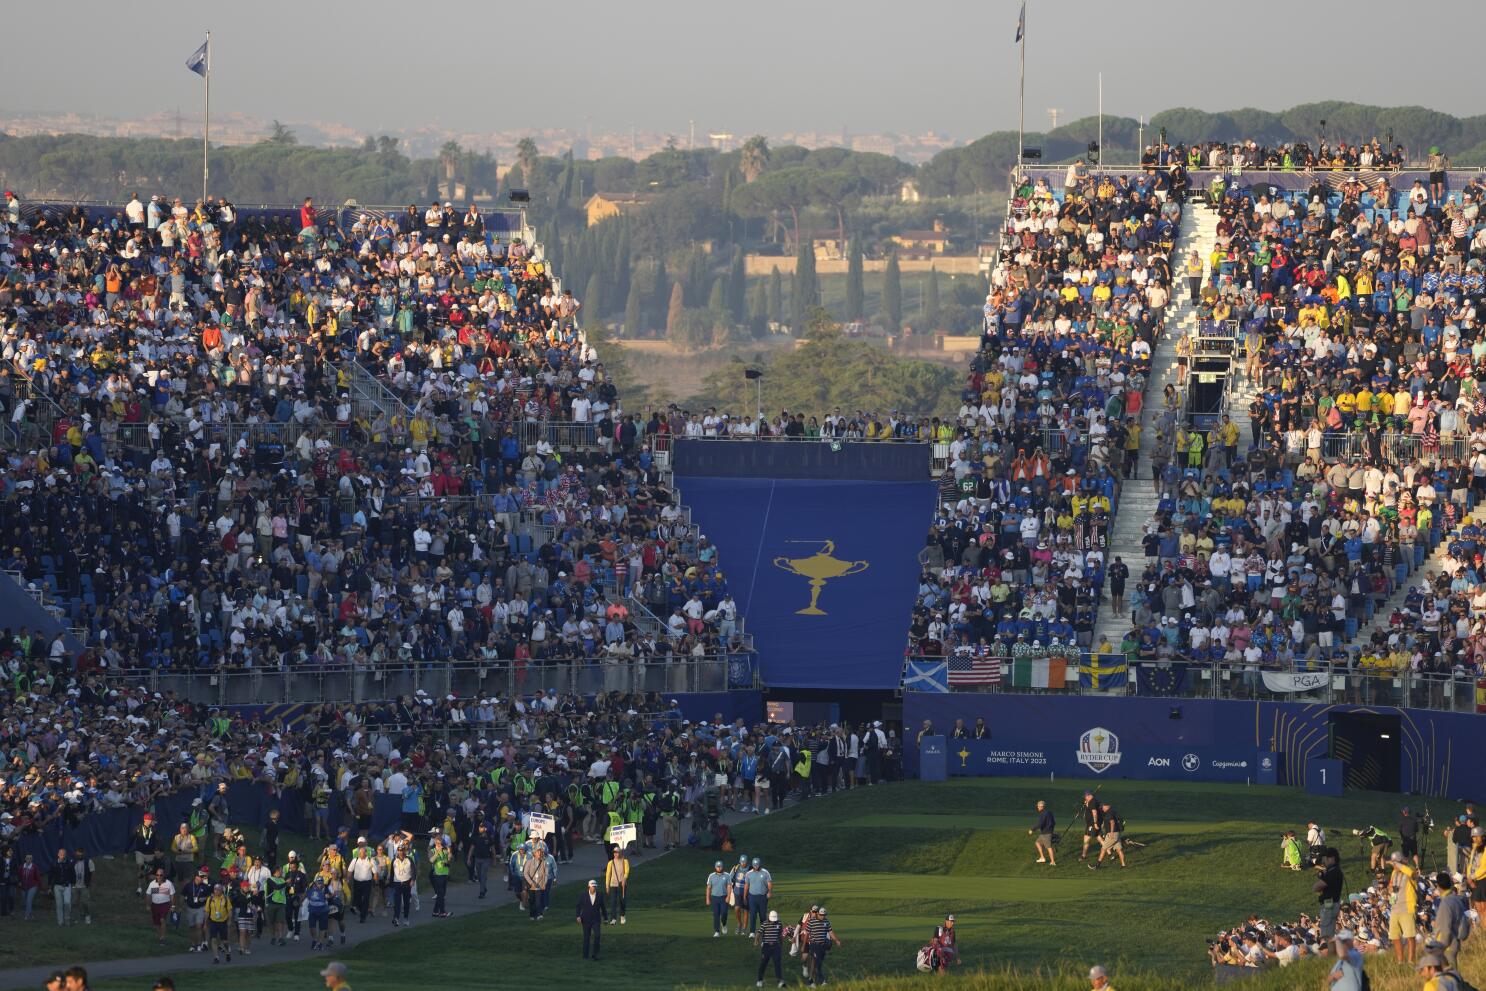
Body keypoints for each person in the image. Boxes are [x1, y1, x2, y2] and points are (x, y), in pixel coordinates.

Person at [1430, 872, 1468, 972]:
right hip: (1455, 942)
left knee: (1450, 977)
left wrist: (1440, 947)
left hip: (1447, 946)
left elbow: (1445, 929)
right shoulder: (1456, 899)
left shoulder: (1445, 903)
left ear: (1438, 886)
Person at [1386, 852, 1419, 965]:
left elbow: (1411, 873)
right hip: (1395, 908)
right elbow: (1392, 887)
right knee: (1394, 936)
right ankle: (1400, 961)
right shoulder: (1394, 873)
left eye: (1395, 864)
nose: (1394, 866)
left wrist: (1398, 864)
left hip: (1407, 908)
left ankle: (1411, 961)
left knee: (1410, 936)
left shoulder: (1410, 871)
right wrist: (1389, 891)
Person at [805, 905, 842, 987]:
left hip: (823, 946)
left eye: (824, 915)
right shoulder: (811, 921)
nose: (823, 917)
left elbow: (831, 932)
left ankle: (811, 982)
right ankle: (822, 981)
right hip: (814, 945)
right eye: (821, 915)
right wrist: (804, 945)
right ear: (818, 913)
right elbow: (807, 934)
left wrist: (837, 940)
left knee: (818, 964)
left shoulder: (826, 922)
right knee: (815, 964)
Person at [1314, 847, 1344, 943]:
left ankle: (1327, 952)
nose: (1324, 862)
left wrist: (1322, 878)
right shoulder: (1335, 871)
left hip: (1329, 903)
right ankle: (1330, 953)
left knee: (1326, 932)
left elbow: (1316, 887)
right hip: (1333, 902)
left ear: (1332, 858)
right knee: (1329, 931)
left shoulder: (1333, 872)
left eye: (1326, 859)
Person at [576, 879, 608, 960]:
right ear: (589, 887)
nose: (594, 888)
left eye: (595, 886)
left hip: (596, 919)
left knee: (597, 936)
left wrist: (606, 918)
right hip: (585, 920)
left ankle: (595, 954)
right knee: (586, 937)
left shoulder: (600, 895)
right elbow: (578, 906)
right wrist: (578, 916)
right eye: (593, 886)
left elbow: (603, 907)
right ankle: (585, 956)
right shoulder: (583, 895)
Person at [1089, 802, 1126, 870]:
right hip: (1117, 833)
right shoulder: (1113, 811)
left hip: (1112, 834)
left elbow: (1112, 822)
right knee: (1119, 849)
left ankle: (1097, 865)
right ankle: (1124, 865)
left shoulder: (1108, 813)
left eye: (1102, 808)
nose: (1102, 809)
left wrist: (1111, 832)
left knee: (1103, 848)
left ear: (1105, 806)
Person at [145, 866, 176, 945]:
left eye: (160, 875)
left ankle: (162, 937)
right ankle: (160, 938)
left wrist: (172, 906)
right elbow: (148, 895)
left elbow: (172, 895)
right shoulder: (152, 884)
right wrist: (148, 905)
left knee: (162, 919)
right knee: (156, 923)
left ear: (164, 875)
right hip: (154, 905)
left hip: (165, 904)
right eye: (157, 875)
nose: (158, 876)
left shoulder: (168, 883)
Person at [755, 908, 786, 988]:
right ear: (769, 917)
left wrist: (781, 945)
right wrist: (756, 941)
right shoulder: (764, 924)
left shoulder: (779, 923)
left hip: (776, 946)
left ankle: (780, 981)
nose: (773, 921)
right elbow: (759, 933)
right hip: (766, 946)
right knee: (763, 963)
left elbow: (780, 935)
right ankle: (759, 980)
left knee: (777, 964)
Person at [205, 881, 232, 963]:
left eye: (218, 890)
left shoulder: (226, 899)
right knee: (213, 939)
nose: (216, 891)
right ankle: (216, 957)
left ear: (221, 891)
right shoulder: (210, 899)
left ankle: (227, 952)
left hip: (223, 922)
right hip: (213, 921)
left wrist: (229, 920)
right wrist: (205, 922)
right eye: (215, 889)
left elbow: (230, 910)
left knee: (225, 941)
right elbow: (207, 911)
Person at [745, 857, 773, 935]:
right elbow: (746, 885)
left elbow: (769, 883)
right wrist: (745, 896)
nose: (756, 866)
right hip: (752, 897)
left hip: (762, 896)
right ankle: (752, 932)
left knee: (762, 915)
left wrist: (769, 892)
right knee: (753, 914)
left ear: (759, 864)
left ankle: (764, 931)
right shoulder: (748, 873)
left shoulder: (765, 872)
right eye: (754, 865)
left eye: (757, 865)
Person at [604, 846, 629, 925]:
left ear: (620, 853)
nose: (615, 854)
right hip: (613, 884)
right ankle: (613, 918)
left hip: (622, 884)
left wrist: (624, 878)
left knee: (622, 901)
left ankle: (622, 915)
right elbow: (608, 875)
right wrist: (607, 886)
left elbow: (627, 871)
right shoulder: (610, 863)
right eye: (614, 852)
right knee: (613, 902)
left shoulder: (625, 861)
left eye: (617, 852)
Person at [706, 860, 731, 937]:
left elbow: (729, 887)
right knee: (716, 915)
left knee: (724, 913)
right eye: (717, 866)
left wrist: (728, 897)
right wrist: (707, 898)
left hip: (724, 897)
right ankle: (717, 931)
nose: (719, 868)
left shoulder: (727, 875)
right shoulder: (711, 876)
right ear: (715, 867)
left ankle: (724, 924)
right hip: (714, 898)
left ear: (722, 867)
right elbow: (709, 888)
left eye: (720, 866)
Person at [1030, 800, 1057, 866]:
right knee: (1037, 842)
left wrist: (1032, 829)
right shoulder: (1048, 812)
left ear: (1042, 807)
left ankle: (1053, 862)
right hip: (1046, 832)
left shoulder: (1044, 814)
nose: (1038, 808)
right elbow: (1054, 822)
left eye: (1039, 806)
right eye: (1038, 806)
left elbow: (1040, 824)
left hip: (1046, 833)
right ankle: (1042, 857)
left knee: (1048, 847)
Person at [1080, 793, 1103, 861]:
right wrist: (1087, 805)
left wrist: (1095, 823)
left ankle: (1083, 856)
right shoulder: (1094, 801)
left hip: (1092, 824)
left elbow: (1094, 812)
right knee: (1099, 838)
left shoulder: (1092, 802)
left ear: (1089, 796)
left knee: (1086, 839)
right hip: (1094, 823)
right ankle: (1110, 853)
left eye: (1085, 797)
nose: (1085, 798)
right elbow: (1090, 810)